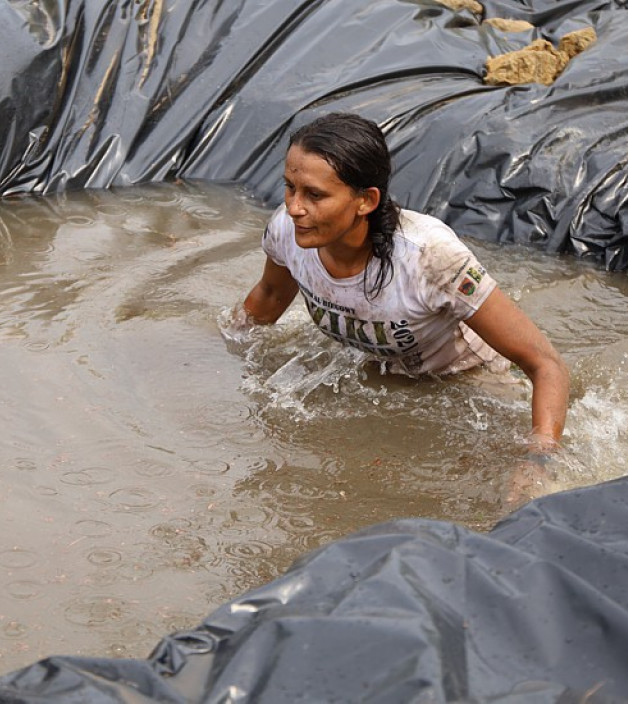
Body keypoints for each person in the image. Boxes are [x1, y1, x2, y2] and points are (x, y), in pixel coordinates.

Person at [239, 112, 570, 500]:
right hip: (376, 368)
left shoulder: (429, 258)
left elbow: (547, 365)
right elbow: (269, 299)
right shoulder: (288, 231)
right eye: (289, 187)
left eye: (314, 195)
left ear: (366, 200)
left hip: (465, 383)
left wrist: (539, 461)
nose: (295, 207)